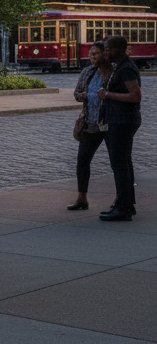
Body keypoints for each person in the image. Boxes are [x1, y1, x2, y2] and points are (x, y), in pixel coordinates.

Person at [98, 35, 142, 221]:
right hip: (118, 119)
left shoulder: (126, 69)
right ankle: (126, 203)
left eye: (108, 49)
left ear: (117, 49)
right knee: (123, 162)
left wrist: (107, 94)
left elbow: (135, 96)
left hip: (123, 121)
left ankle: (123, 208)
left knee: (119, 164)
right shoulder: (119, 66)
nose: (105, 52)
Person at [67, 42, 113, 210]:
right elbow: (76, 93)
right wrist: (83, 96)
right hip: (90, 123)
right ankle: (82, 198)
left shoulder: (113, 72)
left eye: (97, 53)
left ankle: (122, 200)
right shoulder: (87, 72)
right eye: (91, 54)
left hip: (109, 123)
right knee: (82, 159)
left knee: (117, 161)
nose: (93, 56)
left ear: (105, 54)